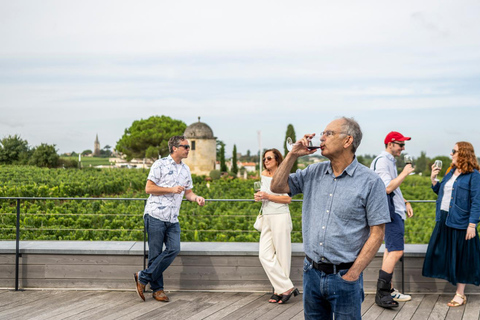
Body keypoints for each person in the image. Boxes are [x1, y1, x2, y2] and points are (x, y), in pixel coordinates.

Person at [271, 117, 391, 319]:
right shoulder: (313, 172)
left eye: (329, 133)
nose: (322, 137)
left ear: (347, 141)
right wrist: (292, 154)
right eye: (322, 133)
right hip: (311, 274)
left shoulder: (371, 182)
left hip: (344, 278)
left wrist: (352, 274)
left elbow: (377, 234)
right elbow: (276, 186)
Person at [134, 135, 205, 302]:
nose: (189, 149)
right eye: (186, 147)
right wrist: (171, 189)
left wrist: (197, 198)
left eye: (188, 147)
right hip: (155, 215)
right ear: (175, 148)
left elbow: (188, 192)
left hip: (173, 218)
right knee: (155, 254)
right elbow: (149, 188)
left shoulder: (186, 170)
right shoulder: (160, 164)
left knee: (174, 248)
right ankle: (158, 290)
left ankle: (143, 277)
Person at [423, 142, 480, 307]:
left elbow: (477, 202)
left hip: (461, 221)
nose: (450, 154)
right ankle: (453, 285)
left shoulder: (474, 175)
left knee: (462, 257)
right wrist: (433, 179)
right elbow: (442, 191)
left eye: (453, 151)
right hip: (443, 219)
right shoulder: (449, 172)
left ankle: (460, 294)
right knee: (442, 253)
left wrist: (472, 224)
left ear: (463, 153)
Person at [370, 131, 414, 308]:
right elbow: (388, 188)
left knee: (390, 250)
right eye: (400, 145)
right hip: (391, 212)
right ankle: (382, 293)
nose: (403, 149)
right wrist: (404, 173)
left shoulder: (388, 161)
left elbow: (388, 188)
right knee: (396, 251)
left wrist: (405, 201)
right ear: (390, 144)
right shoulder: (383, 161)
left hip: (393, 209)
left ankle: (389, 289)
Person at [254, 148, 297, 304]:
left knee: (282, 255)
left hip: (280, 216)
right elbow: (265, 195)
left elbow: (287, 200)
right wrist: (260, 196)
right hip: (267, 217)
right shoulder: (264, 175)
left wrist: (267, 196)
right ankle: (287, 287)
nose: (266, 161)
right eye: (264, 158)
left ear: (277, 159)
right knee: (264, 254)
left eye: (269, 158)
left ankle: (279, 291)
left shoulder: (283, 175)